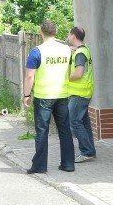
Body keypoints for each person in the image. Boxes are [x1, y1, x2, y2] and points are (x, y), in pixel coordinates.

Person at [23, 20, 76, 174]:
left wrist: (27, 94)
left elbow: (29, 76)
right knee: (65, 130)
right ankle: (68, 164)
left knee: (41, 131)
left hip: (44, 97)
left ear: (41, 32)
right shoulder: (66, 50)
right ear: (56, 31)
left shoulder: (36, 51)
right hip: (62, 95)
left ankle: (39, 166)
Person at [68, 26, 96, 163]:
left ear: (73, 36)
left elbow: (78, 74)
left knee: (74, 122)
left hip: (79, 94)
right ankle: (90, 150)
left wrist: (66, 77)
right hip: (83, 92)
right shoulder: (82, 50)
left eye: (69, 34)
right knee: (84, 123)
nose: (68, 37)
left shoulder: (80, 54)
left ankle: (87, 151)